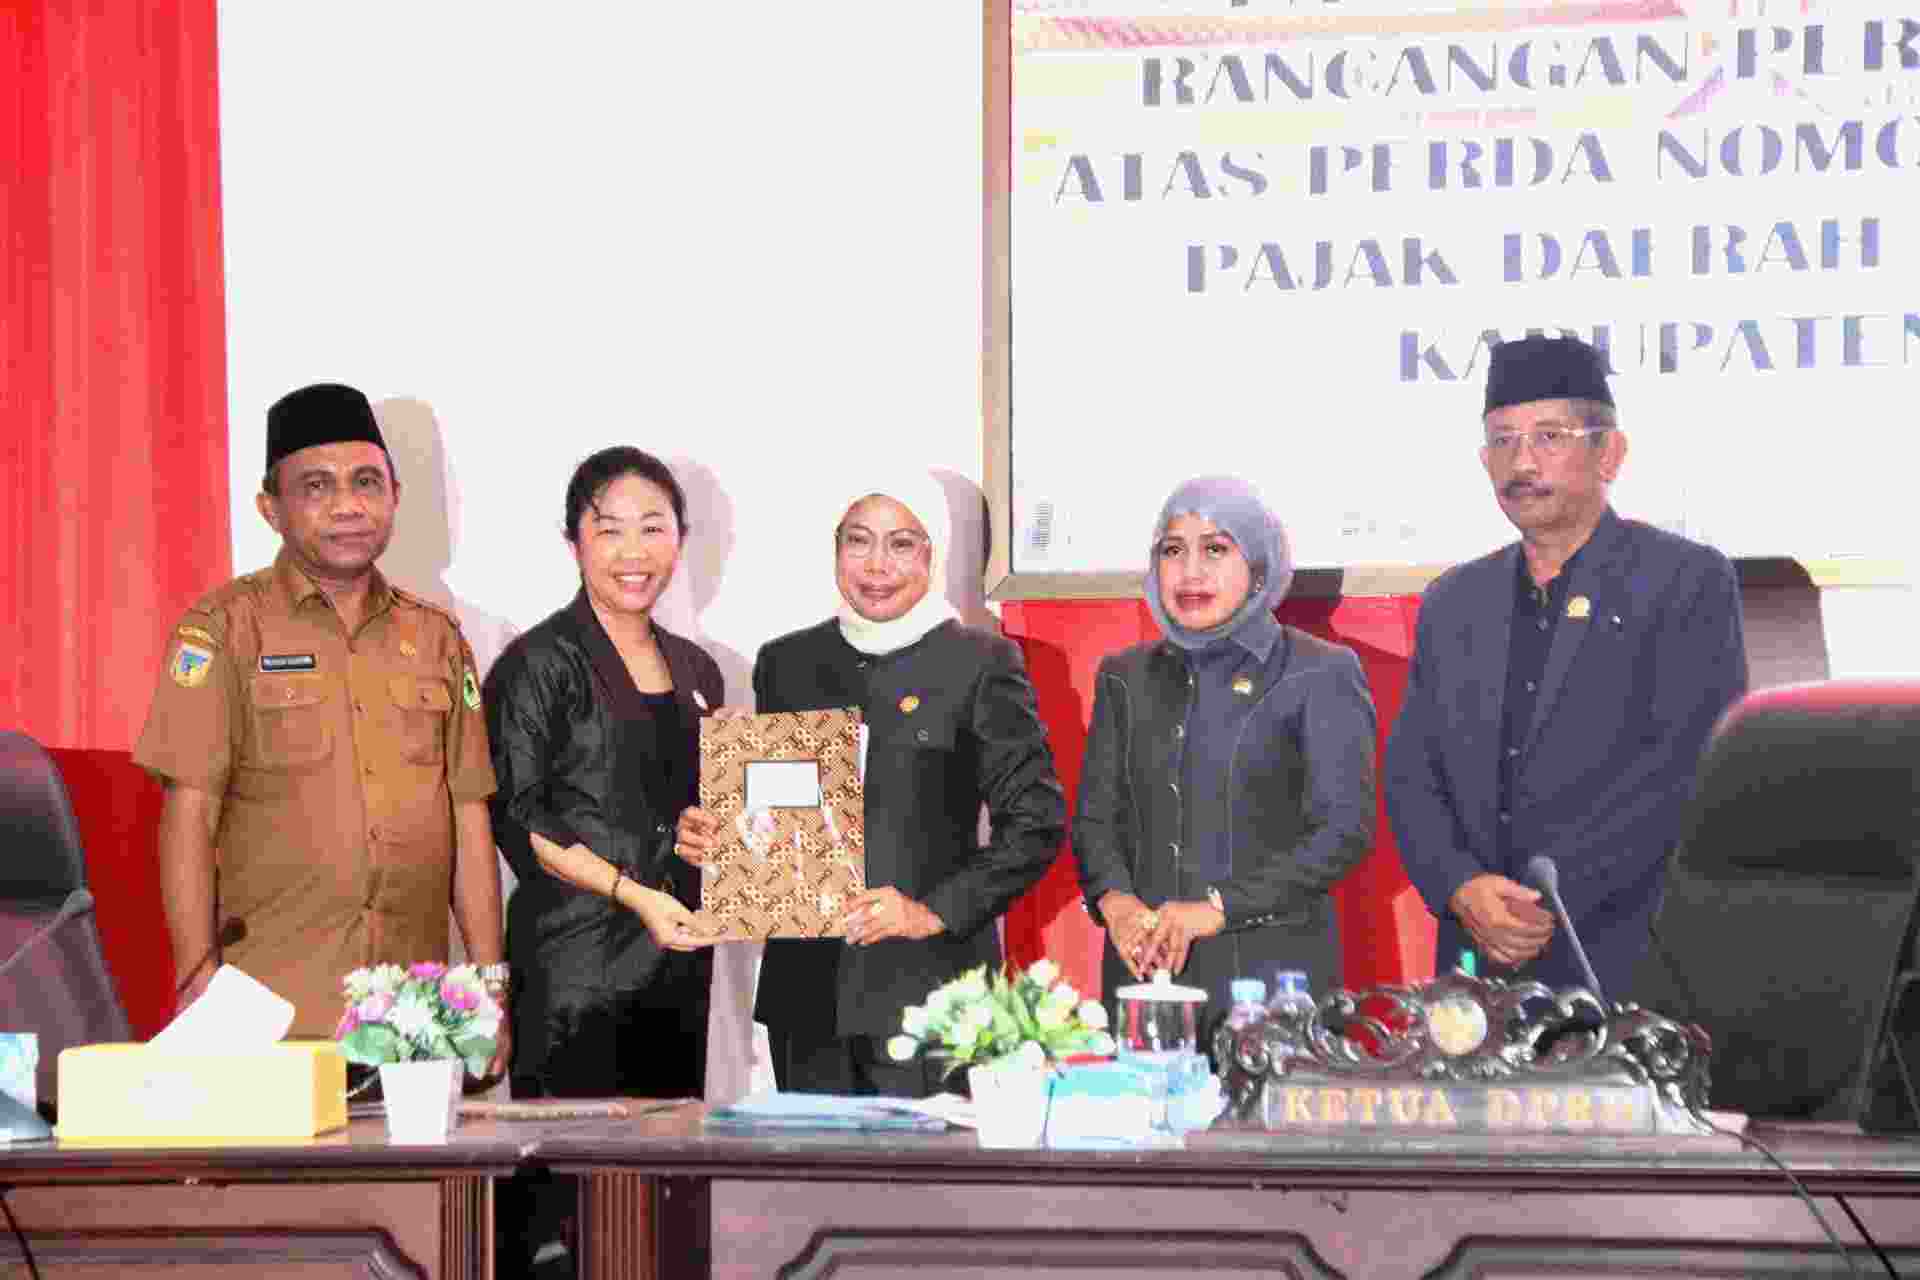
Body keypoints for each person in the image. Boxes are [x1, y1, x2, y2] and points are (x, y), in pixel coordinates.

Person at [134, 383, 508, 1063]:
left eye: (367, 482)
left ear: (394, 495)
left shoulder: (437, 638)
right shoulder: (223, 629)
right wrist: (197, 979)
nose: (347, 506)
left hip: (410, 1013)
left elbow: (468, 817)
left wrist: (488, 987)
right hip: (271, 1014)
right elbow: (190, 812)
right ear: (270, 509)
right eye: (316, 487)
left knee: (421, 1144)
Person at [676, 471, 1065, 1097]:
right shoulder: (786, 663)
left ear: (934, 552)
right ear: (835, 548)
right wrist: (722, 835)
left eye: (901, 543)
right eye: (858, 540)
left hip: (932, 1000)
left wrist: (930, 912)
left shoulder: (980, 662)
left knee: (930, 1166)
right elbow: (784, 824)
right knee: (812, 1166)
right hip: (807, 1002)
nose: (877, 565)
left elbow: (1037, 823)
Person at [1385, 334, 1748, 999]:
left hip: (1625, 953)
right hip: (1479, 962)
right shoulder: (1454, 601)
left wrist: (1540, 903)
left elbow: (1688, 770)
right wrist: (1460, 886)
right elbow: (1413, 772)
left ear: (1609, 453)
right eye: (1502, 441)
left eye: (1549, 436)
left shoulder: (1683, 580)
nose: (1522, 461)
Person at [1073, 477, 1376, 1015]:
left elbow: (1342, 833)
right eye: (1173, 550)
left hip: (1274, 983)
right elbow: (1096, 820)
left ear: (1258, 567)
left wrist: (1216, 909)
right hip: (1144, 974)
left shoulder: (1319, 671)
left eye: (1215, 549)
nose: (1190, 572)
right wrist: (1116, 904)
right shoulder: (1125, 676)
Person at [483, 446, 721, 1101]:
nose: (634, 552)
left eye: (653, 528)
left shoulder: (698, 669)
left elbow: (691, 808)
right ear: (574, 544)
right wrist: (634, 894)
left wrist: (711, 826)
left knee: (672, 1152)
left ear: (680, 539)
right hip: (575, 969)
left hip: (676, 963)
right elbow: (522, 818)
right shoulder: (536, 664)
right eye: (610, 530)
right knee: (574, 1160)